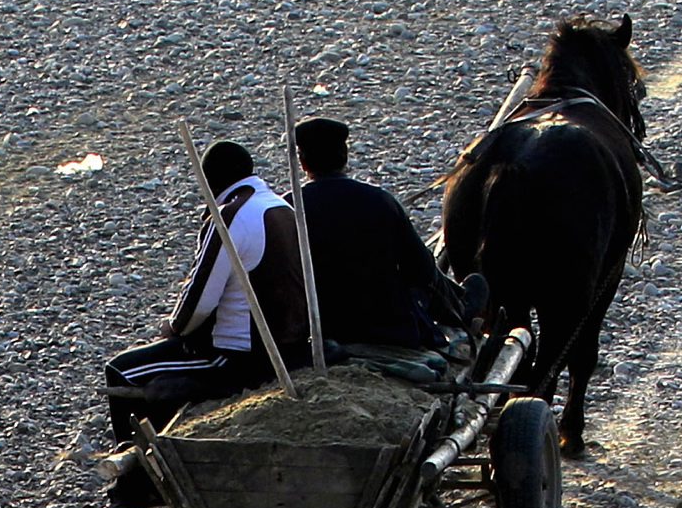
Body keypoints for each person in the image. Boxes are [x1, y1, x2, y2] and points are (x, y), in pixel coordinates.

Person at [98, 140, 302, 452]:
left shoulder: (229, 216)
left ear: (210, 180)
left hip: (242, 357)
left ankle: (134, 482)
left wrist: (173, 328)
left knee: (122, 370)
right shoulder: (282, 206)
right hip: (292, 347)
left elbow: (199, 301)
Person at [286, 113, 469, 358]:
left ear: (303, 162)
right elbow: (421, 270)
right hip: (389, 328)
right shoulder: (379, 200)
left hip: (323, 328)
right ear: (345, 157)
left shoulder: (288, 206)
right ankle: (464, 308)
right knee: (435, 274)